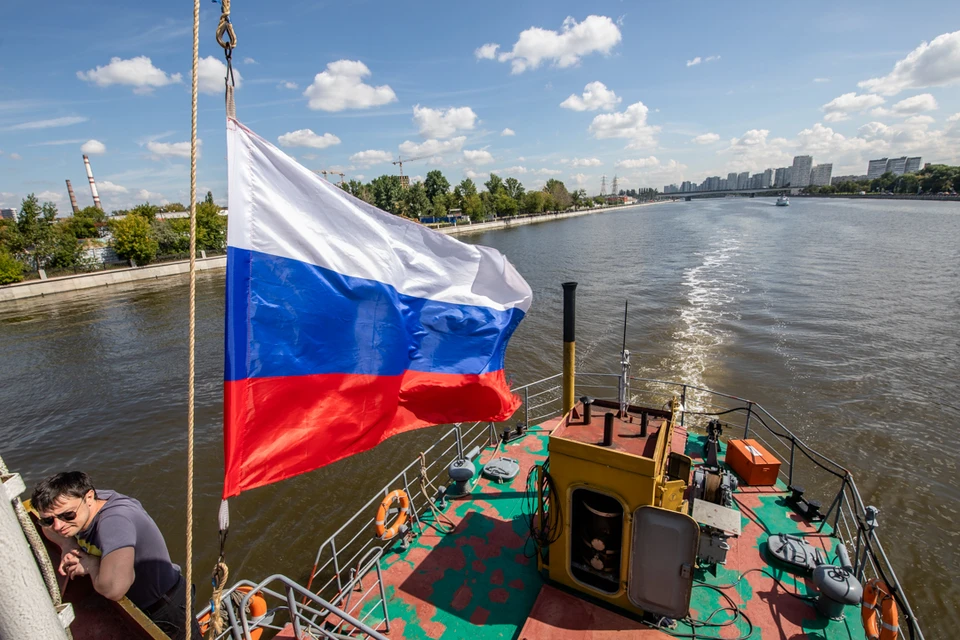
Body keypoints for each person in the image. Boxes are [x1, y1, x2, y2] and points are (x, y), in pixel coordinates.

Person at [31, 471, 202, 640]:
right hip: (137, 604)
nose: (59, 526)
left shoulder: (115, 522)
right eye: (49, 520)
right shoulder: (83, 505)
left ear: (89, 497)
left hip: (164, 607)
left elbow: (114, 589)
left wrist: (92, 565)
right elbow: (48, 529)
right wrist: (68, 545)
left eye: (67, 515)